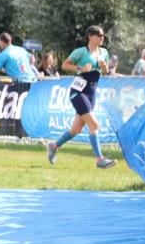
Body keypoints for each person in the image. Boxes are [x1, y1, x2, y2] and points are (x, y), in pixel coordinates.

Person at [45, 25, 117, 169]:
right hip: (78, 92)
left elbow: (105, 71)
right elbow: (65, 65)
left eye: (103, 36)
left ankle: (54, 145)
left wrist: (104, 66)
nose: (103, 38)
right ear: (90, 36)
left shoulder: (104, 52)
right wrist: (81, 69)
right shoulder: (81, 52)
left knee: (76, 129)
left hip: (91, 93)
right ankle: (99, 159)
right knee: (94, 125)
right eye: (100, 35)